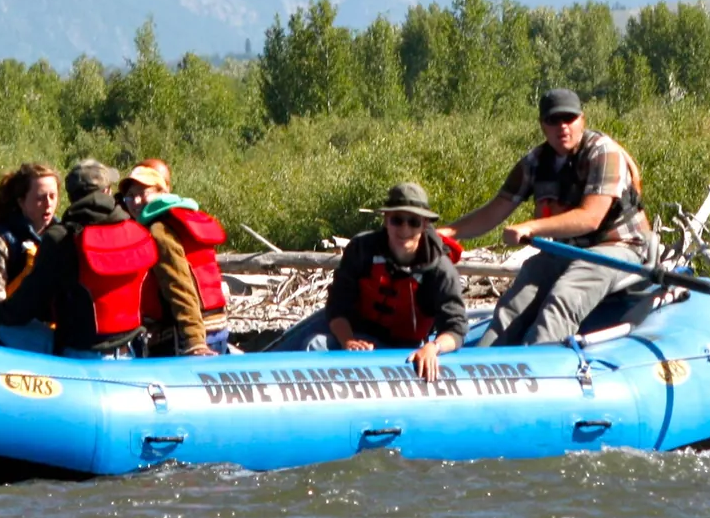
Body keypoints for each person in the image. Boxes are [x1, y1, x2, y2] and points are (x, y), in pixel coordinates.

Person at [440, 89, 652, 347]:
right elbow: (496, 209)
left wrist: (530, 227)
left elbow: (591, 218)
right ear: (543, 125)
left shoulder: (604, 153)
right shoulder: (535, 162)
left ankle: (539, 364)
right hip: (567, 249)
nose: (562, 127)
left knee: (564, 296)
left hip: (619, 246)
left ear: (582, 120)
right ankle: (482, 363)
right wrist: (450, 232)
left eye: (569, 118)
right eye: (554, 120)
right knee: (513, 304)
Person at [277, 183, 465, 382]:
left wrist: (433, 348)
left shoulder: (440, 270)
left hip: (399, 348)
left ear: (425, 224)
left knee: (315, 345)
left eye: (413, 222)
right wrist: (348, 340)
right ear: (386, 220)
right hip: (353, 331)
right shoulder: (361, 250)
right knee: (310, 343)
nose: (404, 228)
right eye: (397, 220)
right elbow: (338, 306)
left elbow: (456, 329)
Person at [8, 160, 156, 358]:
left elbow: (28, 302)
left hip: (79, 355)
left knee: (3, 324)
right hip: (131, 350)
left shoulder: (61, 238)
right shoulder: (136, 232)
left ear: (71, 197)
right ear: (107, 193)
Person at [118, 159, 231, 357]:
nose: (135, 202)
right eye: (130, 196)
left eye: (143, 194)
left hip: (187, 335)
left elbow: (179, 285)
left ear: (161, 193)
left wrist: (195, 342)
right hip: (216, 327)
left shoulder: (159, 230)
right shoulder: (181, 217)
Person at [0, 163, 61, 352]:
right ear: (21, 202)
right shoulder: (0, 241)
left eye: (53, 196)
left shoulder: (62, 237)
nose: (48, 204)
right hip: (5, 329)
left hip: (49, 326)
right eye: (40, 198)